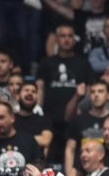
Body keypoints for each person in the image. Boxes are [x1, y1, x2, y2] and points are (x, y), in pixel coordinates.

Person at [35, 24, 95, 160]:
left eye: (70, 36)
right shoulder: (46, 62)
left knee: (75, 157)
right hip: (50, 118)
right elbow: (40, 87)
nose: (66, 39)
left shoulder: (83, 63)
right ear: (57, 39)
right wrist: (38, 107)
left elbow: (90, 90)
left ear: (74, 40)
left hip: (76, 117)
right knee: (49, 159)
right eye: (63, 36)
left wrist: (83, 109)